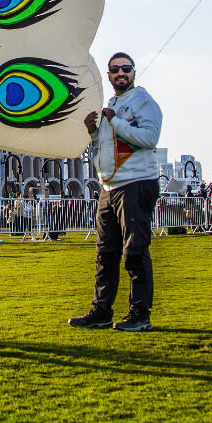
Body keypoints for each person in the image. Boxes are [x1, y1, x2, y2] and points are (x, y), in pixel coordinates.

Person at [70, 52, 162, 332]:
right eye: (115, 69)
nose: (121, 73)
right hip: (110, 187)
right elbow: (112, 142)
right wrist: (94, 132)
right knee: (106, 253)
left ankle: (139, 314)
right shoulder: (113, 103)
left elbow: (148, 138)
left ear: (134, 72)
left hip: (136, 183)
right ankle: (101, 311)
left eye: (126, 68)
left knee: (134, 251)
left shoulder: (143, 101)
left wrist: (116, 122)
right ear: (109, 75)